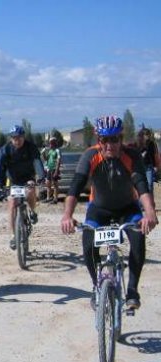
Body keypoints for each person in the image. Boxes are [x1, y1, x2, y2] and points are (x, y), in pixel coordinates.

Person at [61, 115, 158, 310]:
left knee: (138, 240)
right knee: (88, 244)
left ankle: (132, 290)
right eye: (104, 140)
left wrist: (150, 213)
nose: (109, 145)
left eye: (114, 139)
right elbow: (76, 186)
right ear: (99, 140)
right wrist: (67, 215)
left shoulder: (131, 155)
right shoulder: (91, 155)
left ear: (121, 139)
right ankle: (97, 286)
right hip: (99, 209)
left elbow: (141, 186)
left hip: (127, 208)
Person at [0, 125, 45, 250]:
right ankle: (13, 236)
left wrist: (41, 176)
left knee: (31, 190)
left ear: (23, 137)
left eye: (19, 137)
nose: (17, 140)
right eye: (14, 138)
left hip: (28, 178)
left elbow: (37, 161)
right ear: (11, 139)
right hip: (13, 180)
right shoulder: (5, 149)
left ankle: (32, 211)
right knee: (12, 203)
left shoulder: (30, 147)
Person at [136, 127, 161, 197]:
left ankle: (151, 201)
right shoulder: (138, 144)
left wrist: (156, 166)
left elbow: (154, 155)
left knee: (149, 185)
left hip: (149, 167)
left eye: (148, 134)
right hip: (140, 168)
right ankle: (143, 201)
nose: (147, 136)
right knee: (140, 185)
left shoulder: (152, 144)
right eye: (146, 134)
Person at [42, 138, 62, 203]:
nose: (49, 145)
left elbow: (59, 161)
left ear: (54, 143)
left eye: (50, 143)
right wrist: (43, 153)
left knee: (55, 184)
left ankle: (55, 199)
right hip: (49, 169)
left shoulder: (57, 150)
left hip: (54, 169)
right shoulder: (50, 151)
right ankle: (48, 198)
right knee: (48, 183)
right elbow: (46, 159)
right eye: (49, 143)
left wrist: (56, 171)